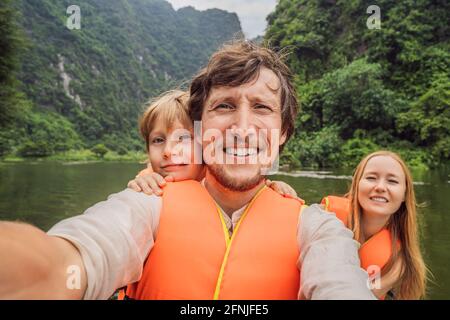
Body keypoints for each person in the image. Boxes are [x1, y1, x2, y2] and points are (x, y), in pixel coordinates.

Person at [0, 41, 375, 300]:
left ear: (284, 133)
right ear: (199, 127)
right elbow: (74, 256)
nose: (242, 127)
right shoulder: (147, 205)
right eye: (224, 106)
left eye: (261, 107)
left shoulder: (318, 229)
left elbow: (340, 282)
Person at [127, 89, 299, 198]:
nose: (168, 151)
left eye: (184, 138)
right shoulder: (147, 189)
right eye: (158, 140)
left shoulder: (228, 186)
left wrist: (272, 190)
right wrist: (143, 184)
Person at [321, 151, 428, 299]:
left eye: (392, 181)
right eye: (371, 178)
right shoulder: (325, 216)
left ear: (404, 194)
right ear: (356, 185)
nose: (380, 187)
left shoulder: (398, 256)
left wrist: (387, 282)